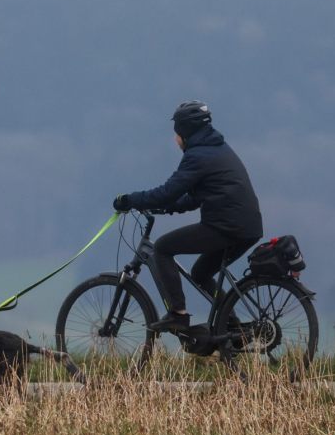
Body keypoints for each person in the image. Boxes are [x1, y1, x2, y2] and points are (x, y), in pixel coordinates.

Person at [112, 100, 263, 333]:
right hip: (247, 226)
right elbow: (194, 197)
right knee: (201, 273)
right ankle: (232, 329)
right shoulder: (216, 148)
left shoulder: (197, 156)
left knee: (162, 248)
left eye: (176, 133)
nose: (175, 139)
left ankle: (178, 315)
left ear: (185, 131)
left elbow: (167, 192)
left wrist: (130, 200)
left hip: (226, 226)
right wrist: (168, 208)